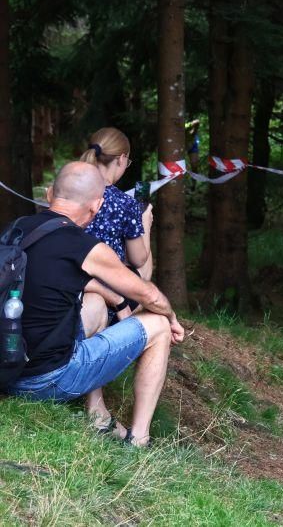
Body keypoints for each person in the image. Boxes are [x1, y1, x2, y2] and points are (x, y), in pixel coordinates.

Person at [4, 162, 185, 447]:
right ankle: (139, 439)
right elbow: (148, 295)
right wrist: (172, 317)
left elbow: (50, 276)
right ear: (97, 205)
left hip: (8, 369)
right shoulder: (83, 246)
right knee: (159, 324)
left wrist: (114, 299)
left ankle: (96, 411)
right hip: (46, 379)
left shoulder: (16, 229)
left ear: (50, 194)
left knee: (95, 303)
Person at [80, 128, 154, 285]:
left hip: (69, 280)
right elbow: (138, 260)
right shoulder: (125, 203)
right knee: (143, 269)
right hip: (107, 286)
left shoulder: (70, 190)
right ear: (121, 159)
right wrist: (145, 222)